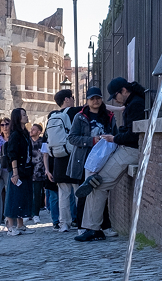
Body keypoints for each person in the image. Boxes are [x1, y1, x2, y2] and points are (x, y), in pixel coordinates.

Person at [68, 86, 115, 241]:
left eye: (98, 98)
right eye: (92, 98)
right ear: (87, 101)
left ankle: (104, 226)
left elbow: (115, 134)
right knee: (84, 193)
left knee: (102, 191)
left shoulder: (108, 116)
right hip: (85, 159)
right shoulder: (80, 117)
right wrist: (92, 141)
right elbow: (72, 138)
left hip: (103, 159)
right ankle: (82, 226)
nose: (96, 101)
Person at [46, 89, 77, 232]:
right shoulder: (74, 112)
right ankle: (81, 221)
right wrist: (120, 108)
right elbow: (99, 107)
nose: (74, 100)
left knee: (63, 194)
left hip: (58, 158)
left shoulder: (52, 115)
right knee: (78, 192)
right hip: (73, 156)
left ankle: (64, 223)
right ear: (67, 99)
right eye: (72, 97)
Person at [2, 108, 35, 235]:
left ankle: (21, 225)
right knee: (13, 197)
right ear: (18, 117)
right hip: (17, 170)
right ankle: (10, 226)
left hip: (25, 169)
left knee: (23, 197)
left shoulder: (25, 133)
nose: (26, 116)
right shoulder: (15, 134)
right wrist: (15, 173)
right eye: (23, 115)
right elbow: (13, 155)